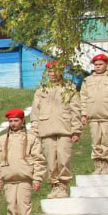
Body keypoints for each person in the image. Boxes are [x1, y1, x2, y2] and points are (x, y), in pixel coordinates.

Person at [0, 109, 46, 215]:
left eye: (16, 120)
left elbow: (38, 160)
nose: (13, 123)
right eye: (11, 121)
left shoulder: (31, 139)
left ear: (23, 121)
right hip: (9, 179)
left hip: (24, 178)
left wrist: (37, 178)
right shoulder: (2, 140)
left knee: (23, 206)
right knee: (11, 207)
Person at [32, 61, 82, 197]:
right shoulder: (41, 90)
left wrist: (76, 130)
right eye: (50, 71)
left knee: (63, 158)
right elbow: (35, 112)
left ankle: (63, 185)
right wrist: (35, 130)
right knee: (51, 161)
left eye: (55, 71)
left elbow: (75, 109)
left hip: (65, 129)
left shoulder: (69, 88)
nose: (52, 74)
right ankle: (54, 185)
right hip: (46, 129)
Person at [80, 52, 108, 175]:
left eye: (100, 64)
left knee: (106, 140)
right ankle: (97, 165)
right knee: (96, 141)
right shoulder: (87, 80)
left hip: (107, 115)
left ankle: (105, 164)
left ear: (106, 64)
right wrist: (83, 114)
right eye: (96, 64)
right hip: (93, 115)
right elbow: (83, 98)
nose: (98, 66)